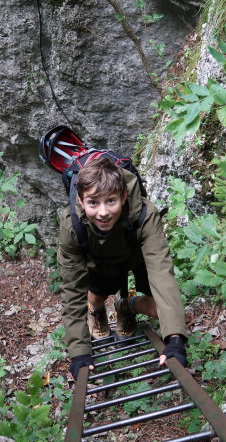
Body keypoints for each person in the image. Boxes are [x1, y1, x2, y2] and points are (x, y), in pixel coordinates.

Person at [57, 157, 188, 379]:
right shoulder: (72, 224)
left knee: (163, 308)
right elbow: (72, 289)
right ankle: (96, 310)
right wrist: (79, 352)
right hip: (99, 257)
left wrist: (174, 339)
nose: (103, 212)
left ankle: (127, 305)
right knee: (97, 296)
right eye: (93, 203)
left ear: (124, 196)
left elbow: (161, 272)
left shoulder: (145, 214)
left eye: (110, 201)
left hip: (137, 255)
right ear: (80, 201)